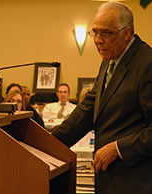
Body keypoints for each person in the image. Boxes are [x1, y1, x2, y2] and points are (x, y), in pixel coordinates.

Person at [51, 2, 152, 193]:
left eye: (106, 33)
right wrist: (47, 143)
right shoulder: (110, 61)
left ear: (126, 33)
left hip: (137, 182)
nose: (98, 40)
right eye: (95, 32)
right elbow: (87, 110)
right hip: (109, 180)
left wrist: (118, 148)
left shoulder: (147, 64)